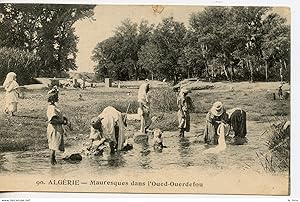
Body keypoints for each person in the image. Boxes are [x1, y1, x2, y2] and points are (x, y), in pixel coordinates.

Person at [46, 86, 69, 165]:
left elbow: (57, 116)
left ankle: (54, 163)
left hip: (56, 128)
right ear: (52, 99)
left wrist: (63, 118)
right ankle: (52, 162)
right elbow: (52, 120)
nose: (58, 99)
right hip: (54, 128)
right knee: (53, 146)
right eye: (56, 97)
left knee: (55, 145)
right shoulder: (52, 108)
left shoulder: (54, 107)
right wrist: (62, 121)